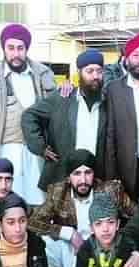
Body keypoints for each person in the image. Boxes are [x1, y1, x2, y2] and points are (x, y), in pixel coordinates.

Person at [28, 149, 135, 267]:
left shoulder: (111, 190)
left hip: (105, 249)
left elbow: (137, 217)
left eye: (88, 173)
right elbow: (33, 222)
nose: (83, 180)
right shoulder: (58, 192)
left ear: (94, 174)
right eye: (77, 174)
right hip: (73, 251)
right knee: (45, 246)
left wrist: (121, 237)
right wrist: (67, 232)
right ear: (69, 177)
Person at [0, 23, 56, 205]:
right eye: (11, 48)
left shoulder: (43, 74)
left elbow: (56, 113)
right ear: (3, 48)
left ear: (26, 49)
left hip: (36, 155)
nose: (15, 54)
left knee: (37, 207)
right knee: (2, 209)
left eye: (20, 48)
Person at [22, 48, 107, 191]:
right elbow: (29, 116)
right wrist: (40, 147)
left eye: (99, 71)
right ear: (79, 73)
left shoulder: (108, 102)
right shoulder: (62, 98)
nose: (95, 76)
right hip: (61, 177)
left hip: (96, 177)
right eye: (90, 71)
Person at [105, 33, 139, 200]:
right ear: (127, 59)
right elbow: (110, 135)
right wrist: (111, 176)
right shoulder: (114, 89)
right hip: (125, 166)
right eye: (135, 55)